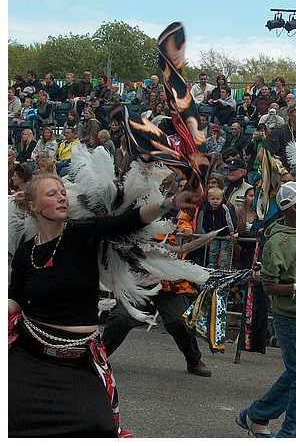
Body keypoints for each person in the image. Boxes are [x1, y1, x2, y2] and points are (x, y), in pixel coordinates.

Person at [8, 172, 203, 437]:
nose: (62, 197)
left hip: (78, 361)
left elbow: (128, 221)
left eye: (62, 192)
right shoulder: (26, 251)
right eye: (51, 194)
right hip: (29, 355)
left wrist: (170, 203)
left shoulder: (82, 234)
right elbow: (15, 298)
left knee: (99, 427)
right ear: (33, 206)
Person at [236, 181, 296, 438]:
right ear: (295, 207)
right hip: (291, 319)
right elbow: (269, 287)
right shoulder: (276, 243)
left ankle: (255, 416)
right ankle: (290, 436)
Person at [259, 100, 296, 175]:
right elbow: (261, 155)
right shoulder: (280, 131)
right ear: (290, 116)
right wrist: (283, 172)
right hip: (283, 179)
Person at [201, 186, 238, 270]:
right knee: (213, 249)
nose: (215, 201)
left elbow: (230, 221)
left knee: (225, 250)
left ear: (221, 199)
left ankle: (224, 266)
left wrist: (231, 234)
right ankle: (212, 264)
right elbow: (205, 222)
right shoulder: (206, 209)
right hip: (215, 234)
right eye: (212, 199)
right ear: (208, 199)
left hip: (226, 235)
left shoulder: (224, 208)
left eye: (217, 199)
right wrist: (208, 233)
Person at [234, 186, 257, 269]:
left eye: (255, 196)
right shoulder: (238, 212)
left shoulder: (261, 215)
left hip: (254, 249)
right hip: (240, 248)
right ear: (245, 197)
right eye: (250, 196)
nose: (253, 198)